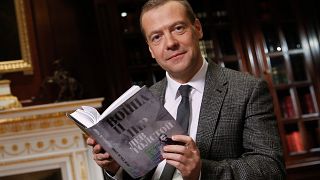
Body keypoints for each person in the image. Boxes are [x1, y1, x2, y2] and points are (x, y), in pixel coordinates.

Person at [87, 0, 286, 179]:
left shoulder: (247, 90)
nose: (170, 43)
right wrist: (116, 168)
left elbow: (271, 168)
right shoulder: (143, 101)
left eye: (178, 28)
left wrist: (201, 171)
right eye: (157, 37)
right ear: (150, 50)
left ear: (197, 28)